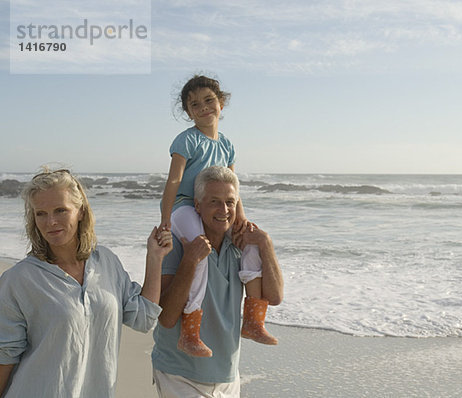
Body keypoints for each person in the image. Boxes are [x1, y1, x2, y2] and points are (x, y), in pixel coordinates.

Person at [0, 167, 173, 398]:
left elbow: (143, 318)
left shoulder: (106, 262)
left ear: (81, 211)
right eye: (40, 213)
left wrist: (154, 258)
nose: (50, 222)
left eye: (60, 210)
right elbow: (5, 355)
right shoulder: (18, 280)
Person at [160, 75, 277, 357]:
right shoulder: (186, 140)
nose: (203, 108)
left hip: (218, 207)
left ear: (221, 102)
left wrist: (242, 219)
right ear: (188, 112)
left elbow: (233, 188)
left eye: (209, 100)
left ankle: (252, 319)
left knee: (248, 243)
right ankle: (189, 331)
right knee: (199, 253)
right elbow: (174, 182)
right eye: (195, 104)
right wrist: (165, 219)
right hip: (186, 207)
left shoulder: (227, 145)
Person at [152, 166, 284, 397]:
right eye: (214, 201)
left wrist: (266, 245)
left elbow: (274, 297)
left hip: (227, 375)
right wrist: (191, 259)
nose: (224, 210)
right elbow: (166, 317)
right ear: (197, 205)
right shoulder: (177, 242)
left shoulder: (242, 244)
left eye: (230, 202)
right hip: (180, 375)